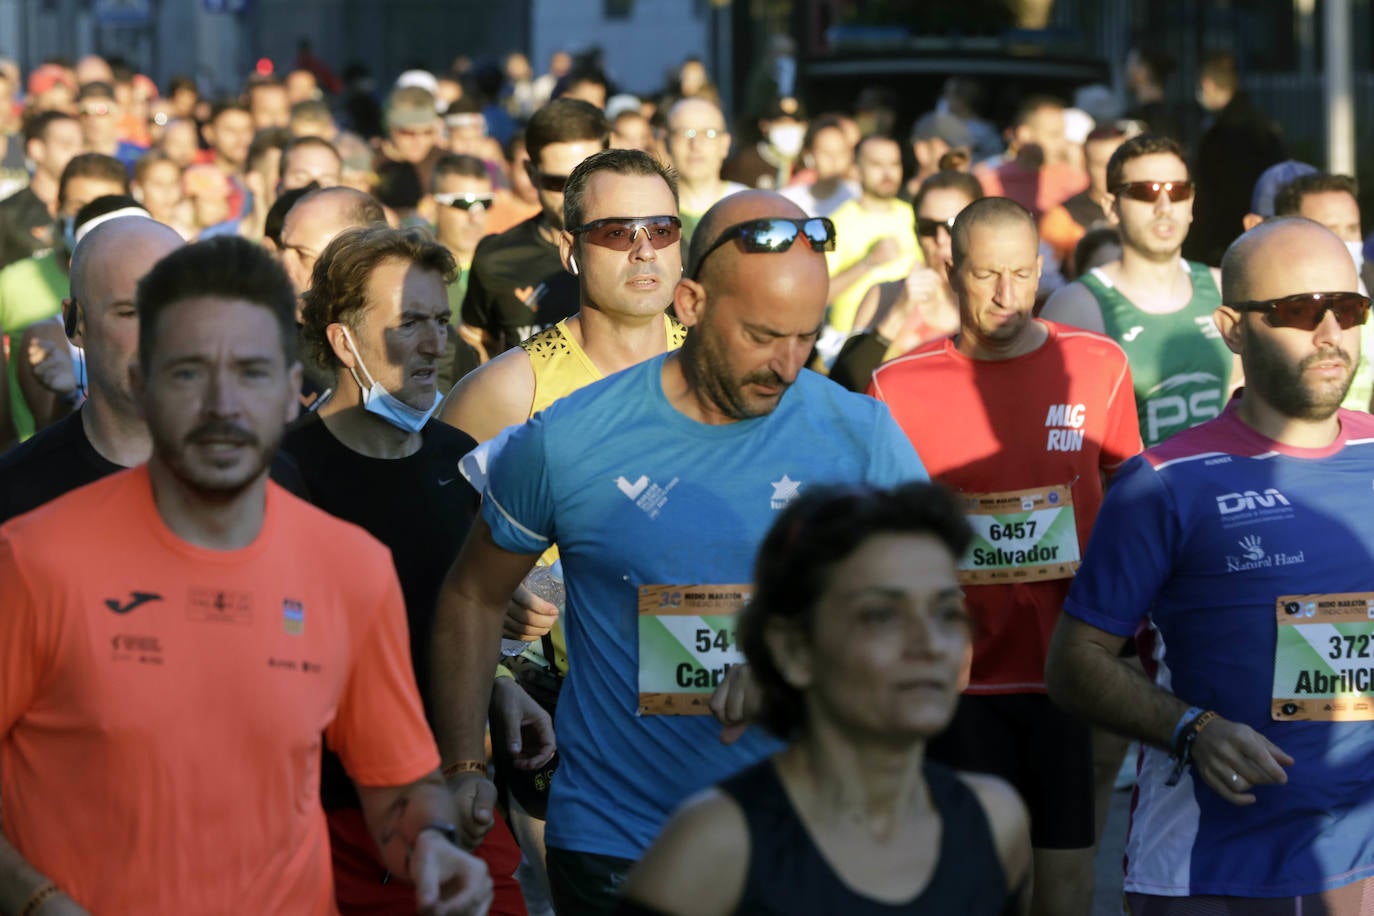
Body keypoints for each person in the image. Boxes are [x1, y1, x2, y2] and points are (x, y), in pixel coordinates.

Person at [431, 189, 925, 915]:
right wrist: (465, 766)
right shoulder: (569, 437)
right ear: (689, 302)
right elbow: (471, 595)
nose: (787, 366)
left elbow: (943, 638)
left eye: (804, 338)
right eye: (760, 336)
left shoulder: (863, 437)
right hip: (618, 845)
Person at [0, 235, 493, 915]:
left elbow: (396, 780)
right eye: (190, 372)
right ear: (145, 384)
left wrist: (430, 846)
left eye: (254, 372)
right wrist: (38, 900)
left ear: (293, 393)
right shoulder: (34, 557)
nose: (223, 404)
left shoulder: (350, 567)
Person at [1045, 217, 1374, 914]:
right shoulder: (1164, 482)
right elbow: (1075, 665)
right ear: (1232, 327)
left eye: (1348, 309)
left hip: (1359, 860)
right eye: (1297, 311)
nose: (1330, 333)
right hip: (1213, 867)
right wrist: (1189, 728)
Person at [868, 196, 1141, 916]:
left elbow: (1131, 508)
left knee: (1068, 888)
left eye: (1022, 274)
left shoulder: (1098, 366)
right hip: (955, 685)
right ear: (949, 269)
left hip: (1067, 675)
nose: (1005, 296)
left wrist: (1135, 642)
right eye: (986, 275)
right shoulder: (896, 387)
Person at [438, 147, 690, 910]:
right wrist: (500, 625)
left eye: (661, 227)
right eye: (616, 231)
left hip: (704, 710)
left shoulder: (718, 373)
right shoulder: (510, 389)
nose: (644, 249)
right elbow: (437, 568)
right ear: (566, 245)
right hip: (563, 720)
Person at [622, 482, 1032, 916]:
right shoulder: (713, 850)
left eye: (947, 612)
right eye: (881, 615)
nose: (929, 644)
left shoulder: (996, 824)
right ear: (794, 651)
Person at [286, 225, 538, 916]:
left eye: (441, 320)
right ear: (342, 341)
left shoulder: (455, 456)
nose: (437, 345)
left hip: (464, 798)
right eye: (410, 325)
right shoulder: (284, 474)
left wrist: (502, 684)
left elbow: (460, 609)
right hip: (337, 821)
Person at [1042, 134, 1235, 448]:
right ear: (1111, 207)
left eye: (1178, 191)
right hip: (1134, 494)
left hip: (1219, 492)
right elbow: (1061, 443)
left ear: (1191, 204)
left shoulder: (1223, 287)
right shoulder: (1075, 306)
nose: (1163, 207)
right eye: (1144, 192)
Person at [461, 99, 607, 357]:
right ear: (531, 173)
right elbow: (476, 349)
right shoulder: (495, 258)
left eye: (586, 178)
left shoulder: (651, 249)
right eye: (556, 181)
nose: (571, 195)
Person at [1, 153, 128, 441]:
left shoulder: (152, 282)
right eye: (80, 206)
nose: (93, 219)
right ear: (56, 208)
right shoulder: (10, 283)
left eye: (106, 206)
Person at [830, 169, 980, 392]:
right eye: (928, 228)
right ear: (916, 233)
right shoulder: (886, 295)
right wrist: (898, 313)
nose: (940, 240)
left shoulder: (999, 297)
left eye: (953, 226)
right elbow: (842, 389)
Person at [1270, 172, 1374, 412]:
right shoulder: (1275, 308)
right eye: (1330, 229)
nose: (1345, 241)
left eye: (1352, 228)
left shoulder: (1368, 290)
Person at [1184, 51, 1285, 267]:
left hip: (1223, 240)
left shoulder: (1219, 133)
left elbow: (1210, 194)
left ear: (1207, 83)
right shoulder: (1262, 124)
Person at [824, 134, 920, 342]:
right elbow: (819, 296)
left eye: (894, 164)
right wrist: (868, 262)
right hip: (848, 340)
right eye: (877, 164)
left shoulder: (914, 217)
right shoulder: (834, 224)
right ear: (857, 170)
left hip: (905, 339)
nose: (888, 173)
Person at [974, 96, 1087, 222]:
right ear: (1025, 134)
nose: (1062, 143)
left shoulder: (1077, 181)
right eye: (1053, 135)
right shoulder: (990, 181)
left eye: (1063, 135)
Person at [0, 111, 83, 269]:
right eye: (66, 145)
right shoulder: (7, 213)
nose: (78, 153)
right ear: (37, 149)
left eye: (81, 144)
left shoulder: (90, 210)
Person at [1039, 125, 1127, 270]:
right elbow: (1046, 281)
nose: (1109, 172)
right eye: (1099, 164)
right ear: (1085, 164)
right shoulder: (1061, 218)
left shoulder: (1146, 207)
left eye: (1116, 164)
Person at [663, 98, 745, 245]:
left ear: (725, 143)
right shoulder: (654, 210)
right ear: (667, 143)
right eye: (685, 133)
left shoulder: (748, 205)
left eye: (709, 133)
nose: (696, 144)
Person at [779, 114, 858, 219]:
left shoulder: (858, 196)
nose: (834, 159)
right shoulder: (788, 200)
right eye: (826, 152)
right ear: (809, 154)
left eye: (841, 152)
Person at [905, 111, 972, 197]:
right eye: (951, 147)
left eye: (968, 152)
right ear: (922, 151)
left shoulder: (967, 204)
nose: (964, 161)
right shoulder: (891, 206)